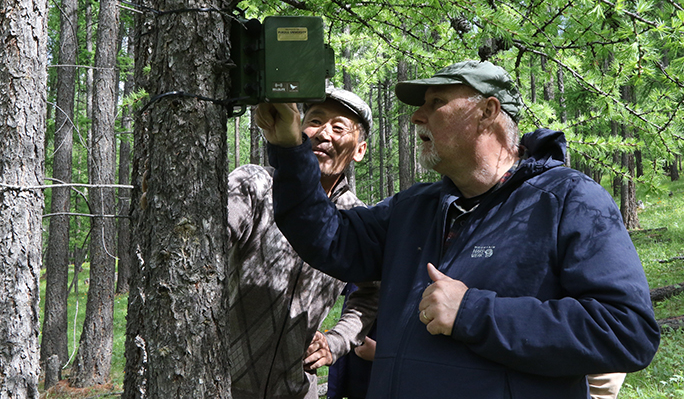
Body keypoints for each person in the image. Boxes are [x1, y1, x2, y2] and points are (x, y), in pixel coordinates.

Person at [256, 60, 660, 399]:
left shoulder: (568, 199)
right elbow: (328, 238)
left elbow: (626, 331)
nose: (417, 116)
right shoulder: (415, 207)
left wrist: (473, 312)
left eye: (436, 103)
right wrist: (291, 151)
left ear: (486, 111)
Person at [227, 86, 379, 399]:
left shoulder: (356, 219)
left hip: (296, 389)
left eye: (339, 127)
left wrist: (336, 341)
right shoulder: (254, 185)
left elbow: (370, 293)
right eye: (315, 121)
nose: (324, 134)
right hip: (219, 383)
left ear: (360, 150)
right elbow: (203, 243)